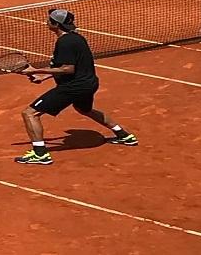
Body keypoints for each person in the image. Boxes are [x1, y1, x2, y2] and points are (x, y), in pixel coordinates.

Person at [15, 9, 138, 165]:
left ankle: (40, 154)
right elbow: (75, 66)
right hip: (89, 83)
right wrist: (44, 76)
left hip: (74, 86)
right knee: (84, 109)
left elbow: (68, 69)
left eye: (49, 20)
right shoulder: (76, 38)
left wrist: (35, 70)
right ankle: (124, 135)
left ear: (55, 24)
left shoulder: (64, 42)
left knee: (30, 113)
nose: (46, 22)